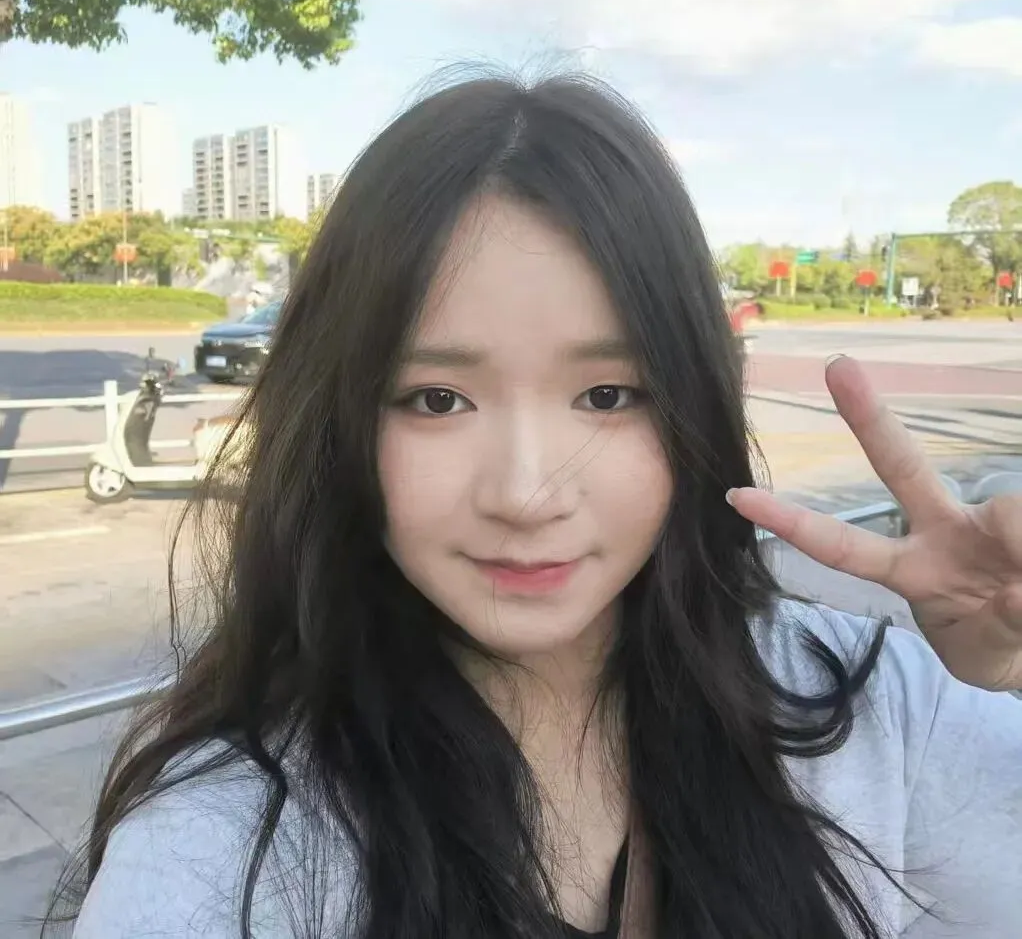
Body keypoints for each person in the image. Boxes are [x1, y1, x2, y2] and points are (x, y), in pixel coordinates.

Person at [53, 73, 1021, 938]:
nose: (525, 494)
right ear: (338, 420)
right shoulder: (224, 847)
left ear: (687, 404)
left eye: (606, 394)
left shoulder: (867, 711)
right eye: (437, 399)